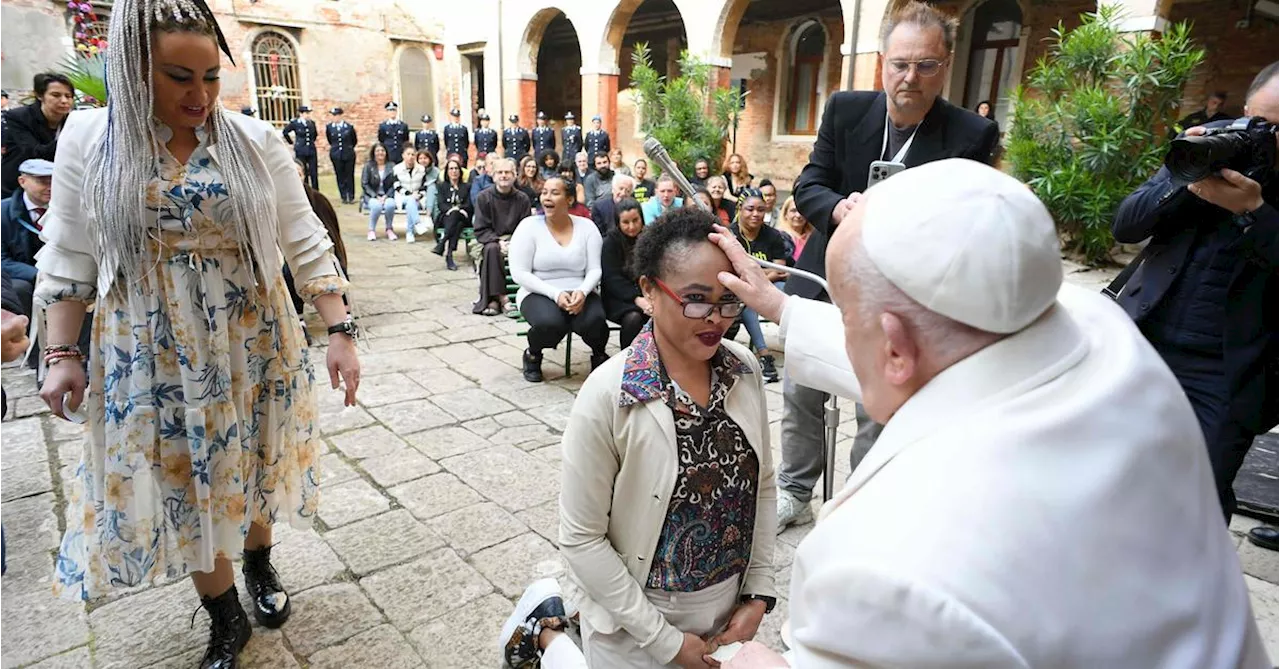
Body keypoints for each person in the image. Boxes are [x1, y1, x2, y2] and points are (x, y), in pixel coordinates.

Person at [709, 156, 1268, 668]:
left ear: (894, 346)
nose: (849, 335)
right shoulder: (1103, 332)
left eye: (848, 317)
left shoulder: (887, 566)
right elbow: (941, 353)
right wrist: (783, 306)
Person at [36, 3, 360, 668]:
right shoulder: (91, 140)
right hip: (151, 347)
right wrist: (61, 351)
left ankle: (259, 561)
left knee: (254, 460)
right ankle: (225, 615)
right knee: (185, 481)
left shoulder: (252, 140)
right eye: (179, 76)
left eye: (212, 76)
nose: (200, 95)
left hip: (253, 333)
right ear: (132, 69)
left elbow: (304, 238)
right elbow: (69, 252)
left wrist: (340, 329)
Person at [498, 208, 777, 669]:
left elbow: (763, 486)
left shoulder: (742, 369)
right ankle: (546, 636)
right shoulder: (610, 394)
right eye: (695, 299)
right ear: (648, 290)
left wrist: (757, 595)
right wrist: (662, 638)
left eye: (728, 300)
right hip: (634, 621)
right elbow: (582, 538)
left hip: (727, 611)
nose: (715, 318)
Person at [779, 0, 1000, 532]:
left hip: (902, 287)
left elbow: (967, 222)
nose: (910, 77)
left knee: (878, 401)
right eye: (900, 63)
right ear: (882, 61)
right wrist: (839, 209)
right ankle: (794, 488)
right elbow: (809, 184)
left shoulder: (971, 134)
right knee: (800, 388)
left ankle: (861, 500)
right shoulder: (845, 109)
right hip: (829, 269)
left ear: (945, 66)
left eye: (926, 65)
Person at [1113, 61, 1280, 552]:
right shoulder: (1205, 152)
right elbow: (1126, 225)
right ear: (1244, 112)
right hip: (1144, 344)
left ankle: (1189, 609)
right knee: (1111, 477)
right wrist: (1184, 177)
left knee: (1196, 505)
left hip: (1228, 372)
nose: (1266, 138)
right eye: (1261, 123)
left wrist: (1256, 211)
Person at [509, 177, 608, 383]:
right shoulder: (528, 227)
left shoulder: (587, 227)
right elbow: (520, 273)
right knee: (550, 323)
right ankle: (533, 355)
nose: (547, 197)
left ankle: (599, 355)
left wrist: (582, 291)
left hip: (580, 290)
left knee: (595, 321)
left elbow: (595, 269)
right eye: (545, 192)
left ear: (569, 199)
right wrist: (555, 294)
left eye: (555, 193)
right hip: (538, 291)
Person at [283, 158, 350, 339]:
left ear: (304, 176)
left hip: (317, 251)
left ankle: (345, 314)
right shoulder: (276, 202)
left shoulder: (318, 200)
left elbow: (333, 233)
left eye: (298, 174)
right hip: (283, 256)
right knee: (287, 271)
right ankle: (298, 318)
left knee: (332, 267)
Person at [729, 189, 790, 383]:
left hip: (772, 285)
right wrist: (764, 273)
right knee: (747, 301)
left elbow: (781, 270)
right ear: (740, 209)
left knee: (788, 299)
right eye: (750, 209)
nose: (756, 214)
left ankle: (796, 349)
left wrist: (756, 276)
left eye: (761, 210)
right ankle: (765, 355)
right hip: (743, 288)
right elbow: (733, 271)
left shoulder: (772, 235)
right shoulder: (731, 234)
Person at [471, 158, 531, 317]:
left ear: (515, 175)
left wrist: (513, 242)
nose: (504, 176)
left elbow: (526, 227)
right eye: (500, 172)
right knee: (491, 249)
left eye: (508, 172)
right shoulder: (483, 197)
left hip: (515, 239)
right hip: (490, 239)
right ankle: (502, 298)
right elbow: (481, 227)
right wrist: (498, 241)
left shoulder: (522, 199)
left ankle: (494, 300)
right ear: (493, 175)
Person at [0, 72, 73, 198]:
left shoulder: (74, 120)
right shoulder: (19, 117)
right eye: (56, 95)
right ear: (40, 95)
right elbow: (35, 152)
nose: (64, 101)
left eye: (68, 96)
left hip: (59, 185)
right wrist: (69, 139)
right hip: (18, 187)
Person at [0, 158, 52, 317]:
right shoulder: (3, 212)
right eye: (42, 181)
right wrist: (37, 274)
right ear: (22, 181)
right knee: (19, 289)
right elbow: (2, 259)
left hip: (56, 272)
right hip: (23, 276)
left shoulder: (65, 212)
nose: (50, 188)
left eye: (54, 182)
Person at [600, 198, 649, 348]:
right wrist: (637, 299)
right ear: (618, 223)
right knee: (633, 319)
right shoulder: (611, 243)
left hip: (648, 293)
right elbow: (611, 279)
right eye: (626, 222)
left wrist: (650, 296)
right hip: (619, 298)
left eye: (635, 220)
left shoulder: (650, 238)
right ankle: (627, 359)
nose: (632, 227)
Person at [434, 157, 473, 271]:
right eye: (451, 168)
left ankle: (442, 244)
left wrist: (458, 208)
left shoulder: (467, 186)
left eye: (456, 168)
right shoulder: (442, 186)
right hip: (446, 217)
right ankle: (449, 255)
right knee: (457, 224)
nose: (454, 171)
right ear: (447, 171)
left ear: (460, 171)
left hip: (463, 215)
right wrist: (452, 210)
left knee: (457, 217)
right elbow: (441, 204)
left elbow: (469, 204)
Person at [362, 143, 398, 241]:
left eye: (382, 151)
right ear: (374, 153)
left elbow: (394, 184)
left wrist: (386, 196)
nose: (380, 153)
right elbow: (365, 184)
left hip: (387, 195)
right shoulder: (368, 166)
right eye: (377, 151)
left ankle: (389, 229)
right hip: (372, 195)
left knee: (390, 205)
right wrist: (375, 196)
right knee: (376, 206)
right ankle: (371, 230)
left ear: (386, 152)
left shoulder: (392, 166)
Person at [393, 145, 427, 243]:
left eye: (413, 154)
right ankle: (416, 224)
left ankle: (410, 232)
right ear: (403, 156)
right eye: (408, 154)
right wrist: (410, 194)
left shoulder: (421, 169)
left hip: (418, 198)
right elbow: (397, 186)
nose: (411, 157)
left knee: (411, 204)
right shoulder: (397, 169)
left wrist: (419, 195)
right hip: (402, 197)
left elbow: (424, 185)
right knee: (410, 201)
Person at [326, 107, 358, 204]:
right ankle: (343, 195)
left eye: (336, 115)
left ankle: (351, 195)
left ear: (340, 116)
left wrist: (348, 148)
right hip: (336, 154)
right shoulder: (330, 127)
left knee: (349, 174)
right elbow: (330, 140)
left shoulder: (348, 127)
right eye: (333, 116)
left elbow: (354, 140)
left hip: (348, 153)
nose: (334, 118)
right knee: (340, 175)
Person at [282, 105, 318, 189]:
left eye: (309, 113)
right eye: (306, 113)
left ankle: (315, 189)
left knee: (313, 171)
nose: (308, 115)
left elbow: (314, 135)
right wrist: (291, 142)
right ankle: (306, 188)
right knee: (303, 170)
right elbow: (285, 132)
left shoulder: (311, 123)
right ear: (301, 114)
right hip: (301, 149)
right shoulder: (295, 123)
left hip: (311, 150)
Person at [778, 196, 813, 264]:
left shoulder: (814, 236)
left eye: (802, 211)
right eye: (793, 211)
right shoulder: (779, 237)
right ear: (785, 214)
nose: (798, 215)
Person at [417, 149, 441, 226]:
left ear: (430, 159)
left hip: (432, 195)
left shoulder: (436, 171)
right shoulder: (415, 170)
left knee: (432, 189)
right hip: (417, 195)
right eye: (420, 158)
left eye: (425, 158)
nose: (423, 161)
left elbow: (440, 186)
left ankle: (436, 224)